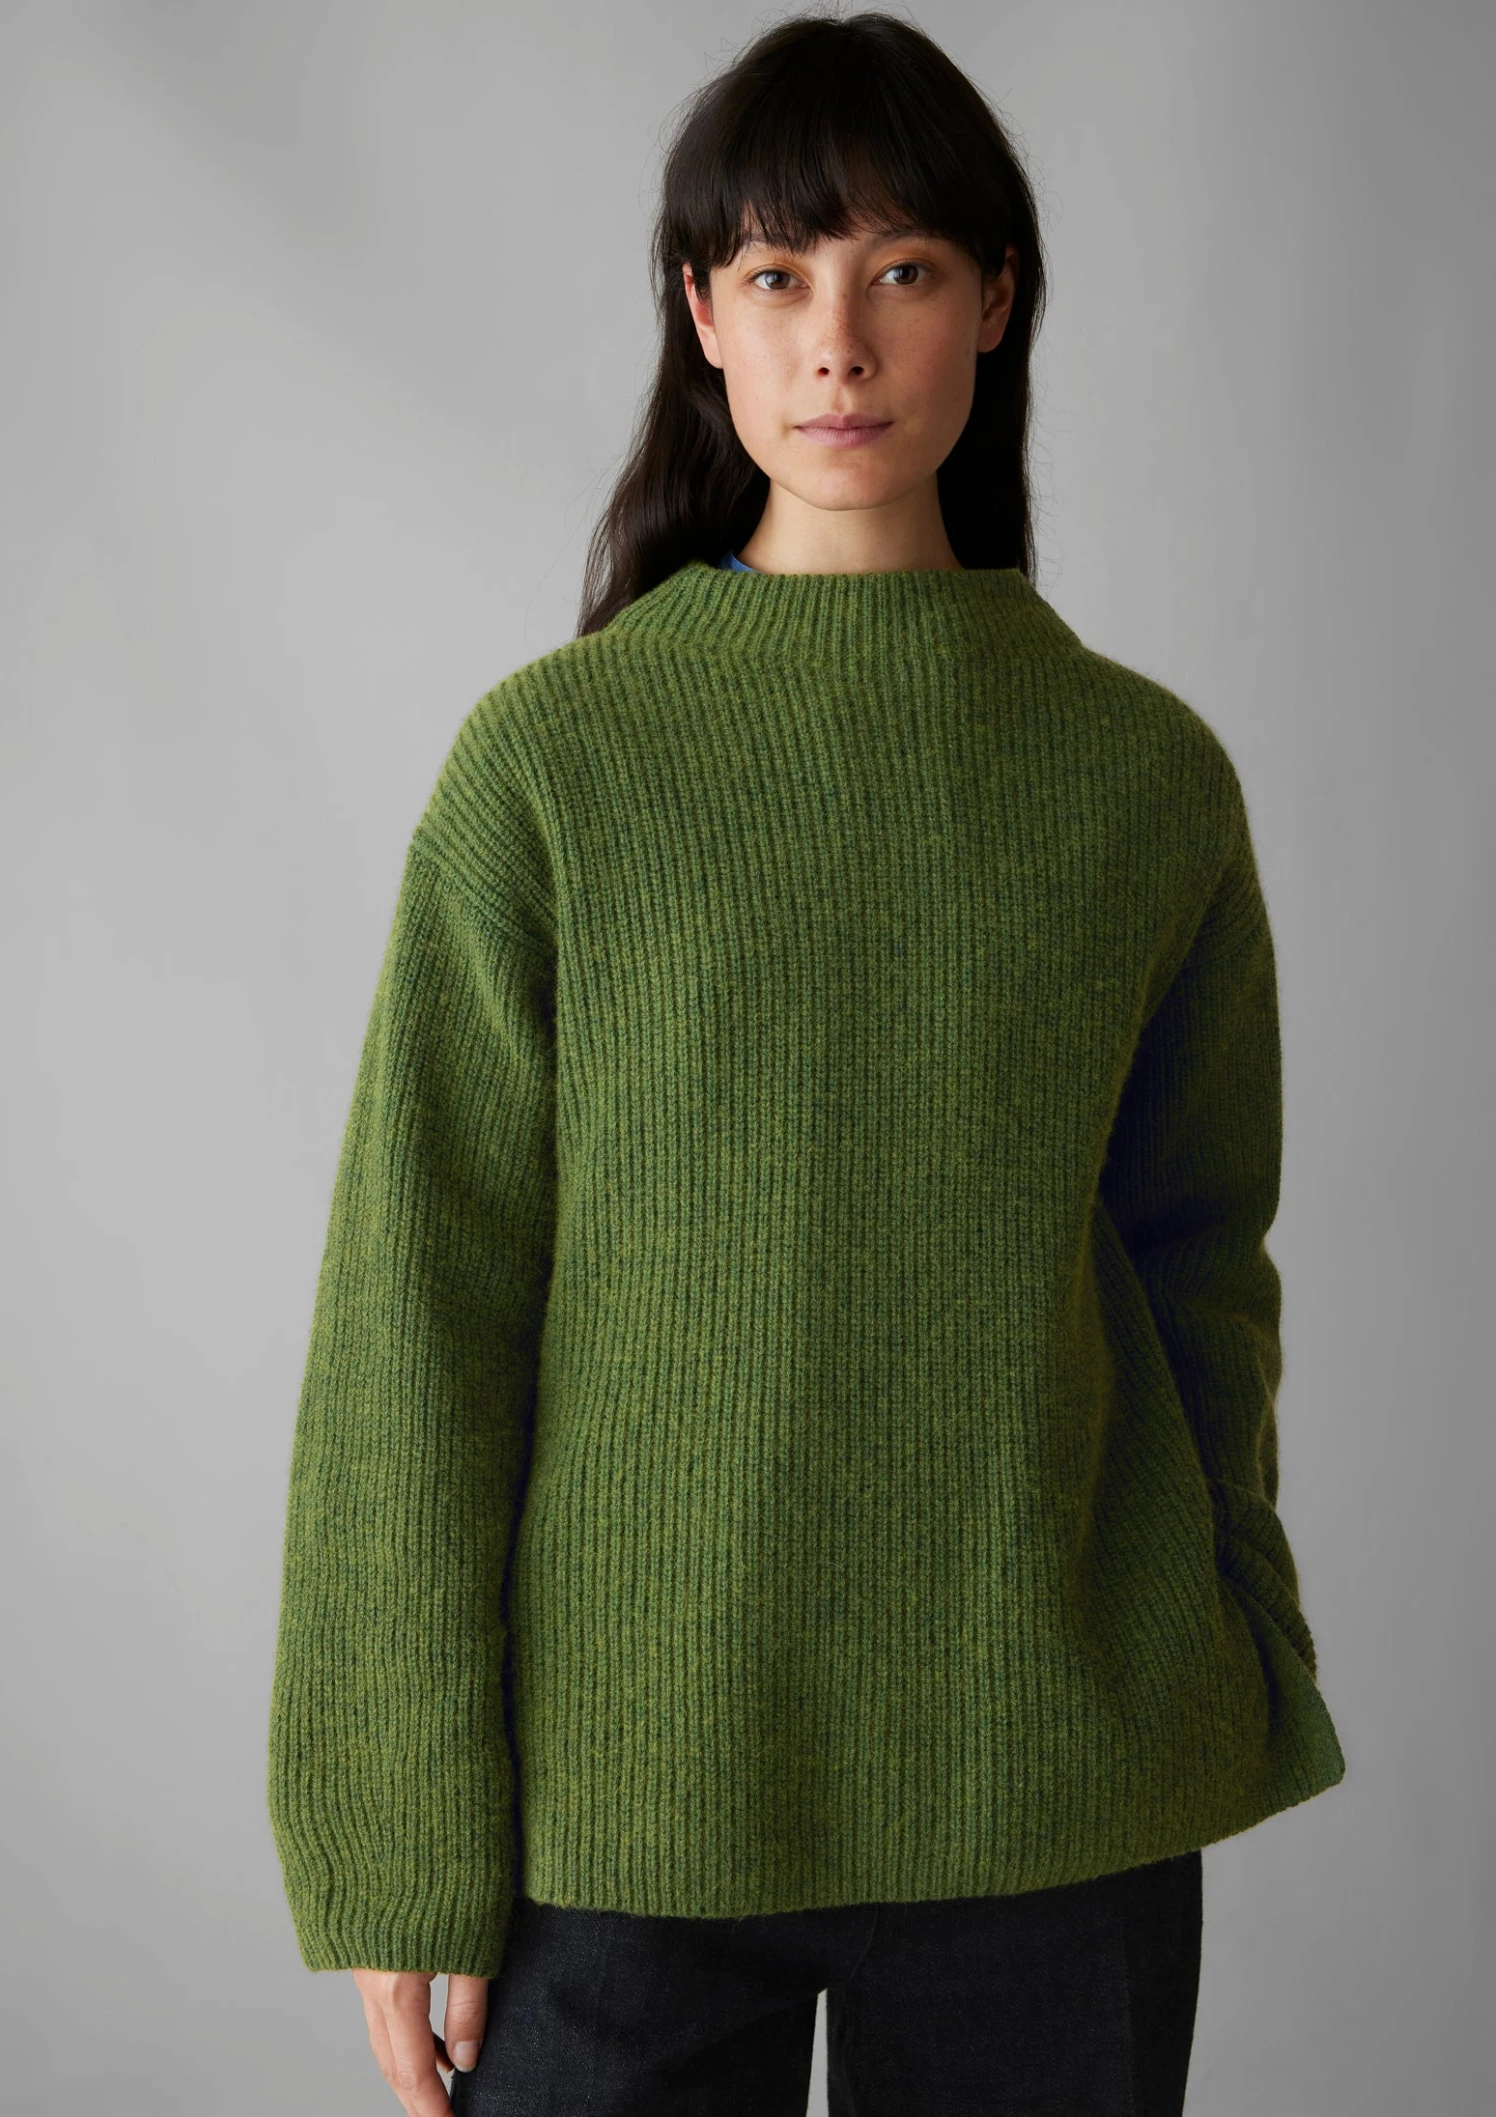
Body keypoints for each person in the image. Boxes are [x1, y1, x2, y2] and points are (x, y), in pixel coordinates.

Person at [266, 13, 1347, 2114]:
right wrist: (397, 1820)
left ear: (996, 302)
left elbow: (1203, 1259)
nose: (838, 342)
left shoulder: (1141, 780)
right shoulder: (556, 765)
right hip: (624, 1799)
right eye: (777, 274)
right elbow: (420, 1306)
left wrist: (1231, 1615)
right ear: (702, 317)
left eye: (901, 269)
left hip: (1058, 1774)